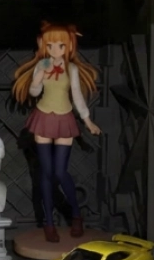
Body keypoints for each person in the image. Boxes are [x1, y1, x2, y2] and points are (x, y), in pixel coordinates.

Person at [10, 22, 100, 242]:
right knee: (45, 173)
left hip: (64, 119)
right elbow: (34, 92)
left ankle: (76, 215)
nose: (55, 50)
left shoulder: (72, 69)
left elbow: (77, 96)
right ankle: (49, 222)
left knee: (60, 172)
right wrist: (38, 77)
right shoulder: (42, 64)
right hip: (43, 118)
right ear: (44, 45)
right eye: (50, 45)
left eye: (60, 45)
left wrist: (87, 121)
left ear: (69, 46)